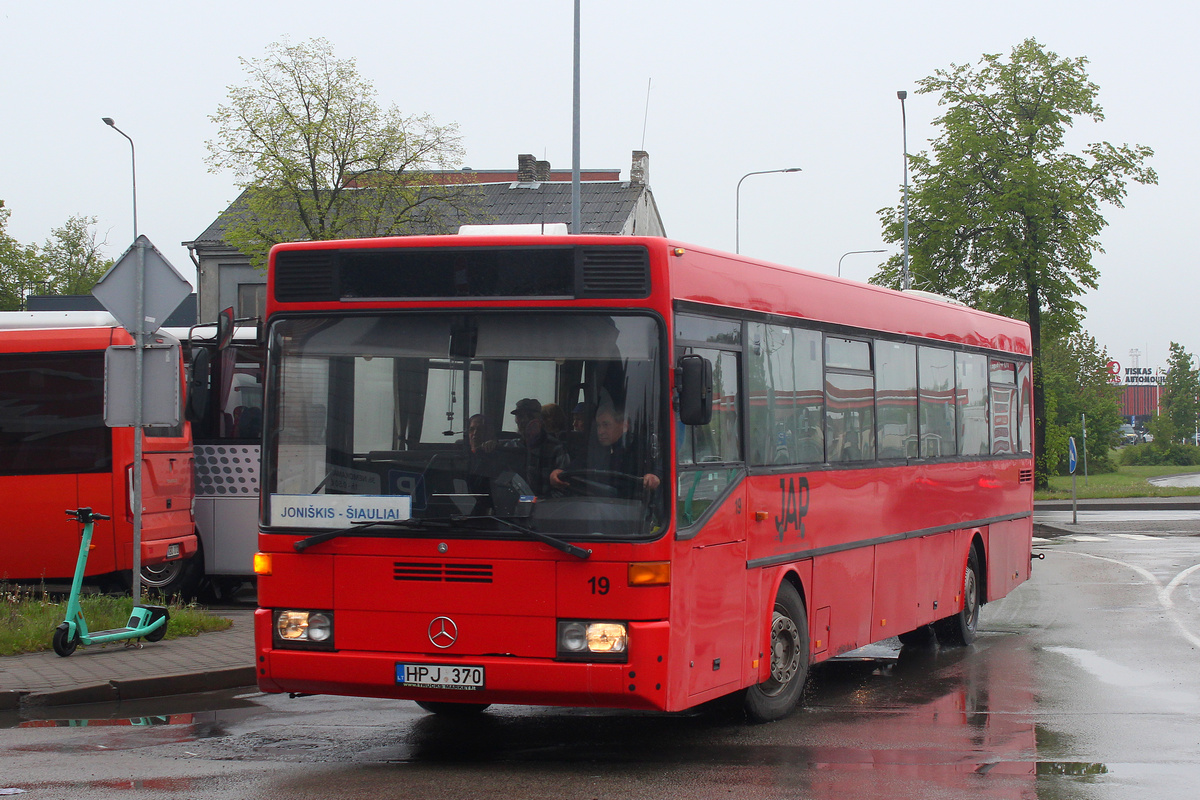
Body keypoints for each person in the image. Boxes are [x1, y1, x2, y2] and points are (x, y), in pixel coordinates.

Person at [583, 404, 660, 492]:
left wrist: (653, 477)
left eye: (606, 425)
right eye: (598, 426)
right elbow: (578, 467)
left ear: (624, 426)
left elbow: (659, 468)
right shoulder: (594, 448)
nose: (600, 431)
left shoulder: (638, 449)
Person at [506, 398, 570, 495]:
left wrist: (540, 501)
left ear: (540, 420)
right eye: (520, 416)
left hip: (546, 503)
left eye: (530, 416)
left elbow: (563, 487)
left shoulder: (556, 449)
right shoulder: (511, 447)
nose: (524, 421)